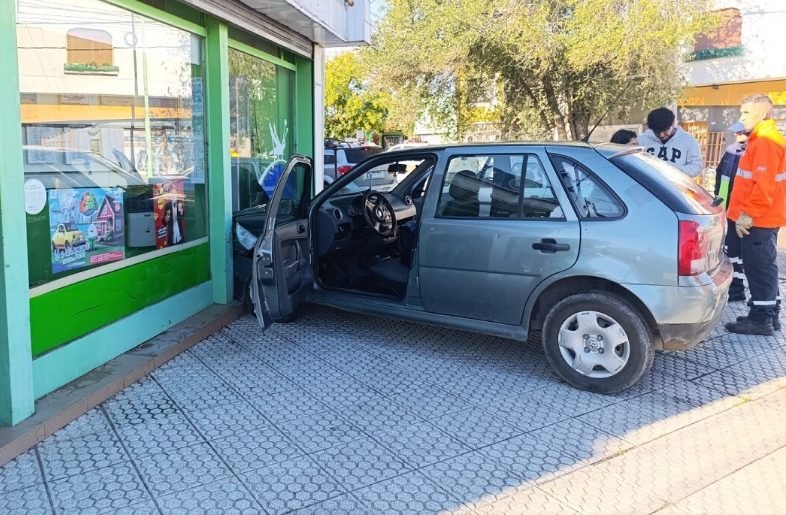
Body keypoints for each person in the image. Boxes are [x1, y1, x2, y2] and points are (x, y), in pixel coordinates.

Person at [724, 94, 786, 336]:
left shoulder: (765, 143)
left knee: (759, 268)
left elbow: (763, 186)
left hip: (758, 219)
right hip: (762, 217)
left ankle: (761, 319)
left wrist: (747, 214)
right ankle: (769, 314)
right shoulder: (764, 139)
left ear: (763, 113)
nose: (742, 117)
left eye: (746, 112)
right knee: (764, 267)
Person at [714, 121, 749, 303]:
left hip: (746, 212)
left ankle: (740, 288)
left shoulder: (753, 153)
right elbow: (721, 177)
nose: (737, 136)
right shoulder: (731, 151)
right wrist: (719, 201)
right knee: (731, 251)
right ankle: (735, 288)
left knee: (745, 254)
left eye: (740, 132)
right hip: (729, 209)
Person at [638, 107, 703, 177]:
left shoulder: (688, 141)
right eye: (657, 131)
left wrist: (670, 169)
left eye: (665, 130)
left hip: (675, 183)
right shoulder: (641, 140)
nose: (661, 135)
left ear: (673, 124)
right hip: (647, 183)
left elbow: (696, 168)